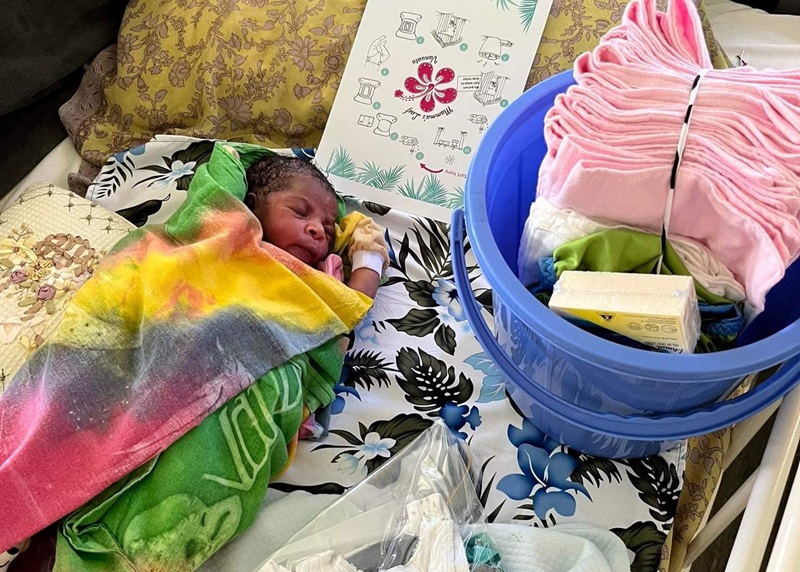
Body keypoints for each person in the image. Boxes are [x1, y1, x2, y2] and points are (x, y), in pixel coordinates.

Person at [243, 154, 387, 299]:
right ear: (252, 205)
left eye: (327, 230)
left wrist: (364, 277)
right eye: (300, 212)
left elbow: (363, 229)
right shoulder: (234, 234)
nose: (318, 230)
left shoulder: (322, 276)